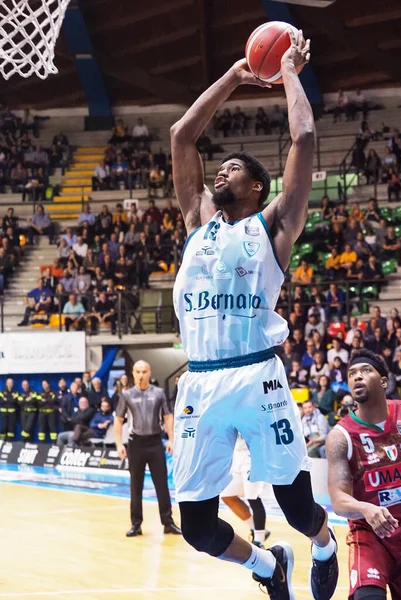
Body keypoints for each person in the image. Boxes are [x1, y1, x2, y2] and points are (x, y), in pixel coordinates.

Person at [170, 30, 337, 600]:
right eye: (220, 167)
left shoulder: (273, 226)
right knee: (195, 528)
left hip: (258, 374)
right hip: (200, 379)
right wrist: (236, 77)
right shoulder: (197, 223)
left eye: (234, 167)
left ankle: (323, 542)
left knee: (295, 505)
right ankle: (266, 564)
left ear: (258, 186)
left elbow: (305, 137)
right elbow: (182, 135)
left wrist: (288, 70)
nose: (221, 171)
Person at [326, 348, 401, 600]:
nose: (357, 377)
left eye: (365, 370)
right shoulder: (341, 436)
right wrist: (365, 509)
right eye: (351, 374)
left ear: (384, 381)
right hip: (371, 538)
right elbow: (338, 500)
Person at [114, 360, 181, 538]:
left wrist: (171, 439)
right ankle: (136, 524)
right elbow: (118, 420)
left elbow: (168, 416)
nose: (141, 375)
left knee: (162, 485)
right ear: (133, 373)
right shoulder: (127, 394)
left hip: (155, 442)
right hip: (136, 444)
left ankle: (168, 522)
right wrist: (119, 444)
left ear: (149, 372)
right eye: (138, 371)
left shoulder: (158, 393)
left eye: (144, 371)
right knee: (136, 486)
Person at [221, 435, 270, 548]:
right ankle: (256, 528)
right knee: (227, 496)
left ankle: (259, 541)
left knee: (253, 497)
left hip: (253, 454)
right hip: (236, 454)